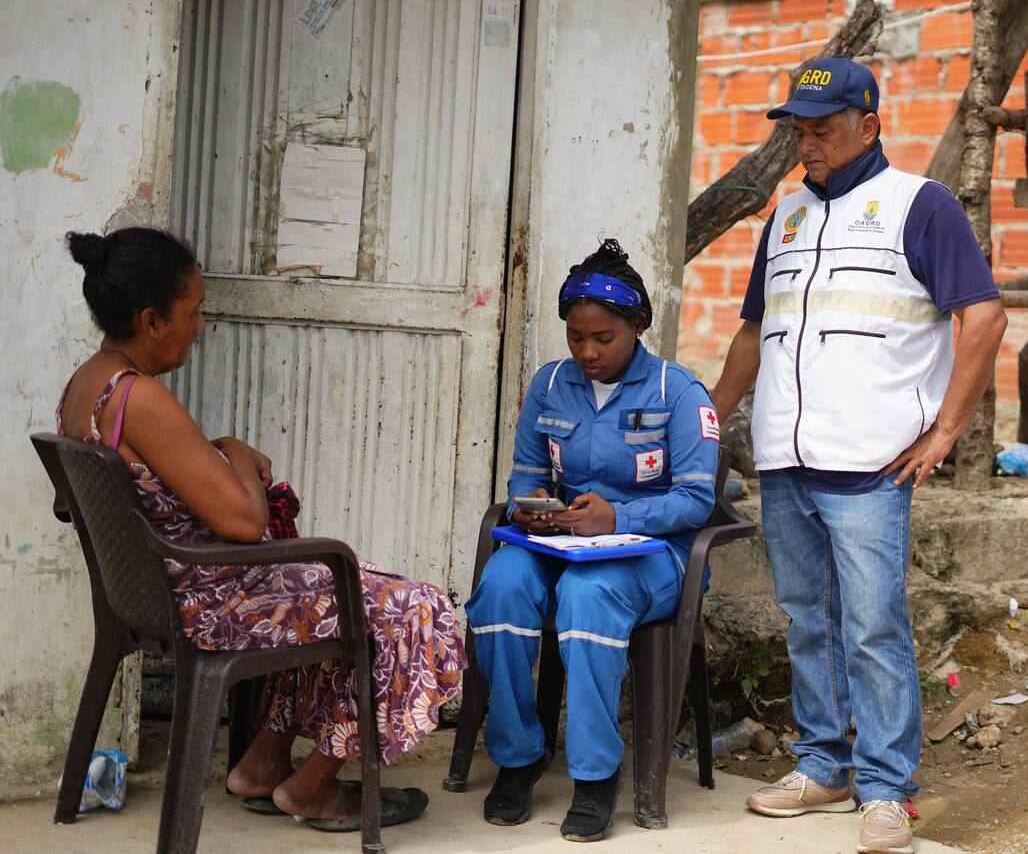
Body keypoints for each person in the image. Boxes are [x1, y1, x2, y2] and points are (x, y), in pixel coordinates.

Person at [56, 227, 465, 832]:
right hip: (207, 600)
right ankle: (311, 788)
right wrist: (242, 459)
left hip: (155, 592)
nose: (201, 325)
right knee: (411, 607)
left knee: (326, 588)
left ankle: (260, 765)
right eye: (193, 313)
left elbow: (167, 469)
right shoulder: (138, 397)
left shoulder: (90, 383)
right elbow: (245, 524)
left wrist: (216, 451)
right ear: (150, 320)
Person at [709, 58, 1008, 854]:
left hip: (873, 463)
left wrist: (946, 432)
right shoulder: (788, 214)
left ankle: (885, 787)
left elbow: (982, 319)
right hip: (786, 457)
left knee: (873, 624)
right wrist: (710, 417)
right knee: (808, 620)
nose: (806, 143)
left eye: (823, 128)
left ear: (869, 126)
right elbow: (751, 332)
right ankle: (823, 765)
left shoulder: (921, 206)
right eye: (799, 129)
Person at [464, 239, 720, 842]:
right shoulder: (551, 385)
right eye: (576, 337)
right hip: (563, 546)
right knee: (501, 586)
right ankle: (519, 757)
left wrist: (619, 519)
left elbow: (696, 500)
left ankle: (595, 775)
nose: (587, 352)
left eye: (603, 338)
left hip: (656, 559)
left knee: (590, 595)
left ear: (638, 326)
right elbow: (527, 473)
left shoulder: (677, 393)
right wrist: (533, 511)